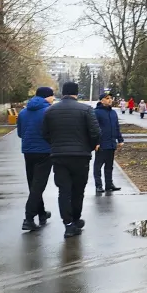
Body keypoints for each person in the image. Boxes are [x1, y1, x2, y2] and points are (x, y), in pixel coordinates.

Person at [41, 81, 101, 239]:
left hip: (59, 157)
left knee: (64, 191)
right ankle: (75, 219)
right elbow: (95, 132)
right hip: (81, 157)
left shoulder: (50, 110)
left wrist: (55, 145)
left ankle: (68, 225)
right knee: (78, 190)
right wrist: (90, 146)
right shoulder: (86, 109)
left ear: (63, 92)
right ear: (76, 93)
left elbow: (45, 133)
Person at [17, 86, 55, 232]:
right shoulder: (48, 112)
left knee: (33, 183)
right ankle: (28, 218)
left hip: (28, 151)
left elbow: (20, 133)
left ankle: (42, 213)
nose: (53, 99)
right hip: (44, 152)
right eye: (52, 96)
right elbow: (51, 132)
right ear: (46, 97)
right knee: (38, 185)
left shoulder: (23, 112)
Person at [93, 91, 124, 194]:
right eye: (107, 98)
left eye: (110, 98)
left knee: (109, 166)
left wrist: (120, 140)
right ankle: (98, 185)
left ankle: (109, 184)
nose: (110, 100)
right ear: (102, 100)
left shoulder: (113, 112)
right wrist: (96, 142)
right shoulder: (96, 112)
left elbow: (116, 127)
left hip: (111, 143)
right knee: (98, 166)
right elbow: (94, 129)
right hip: (101, 144)